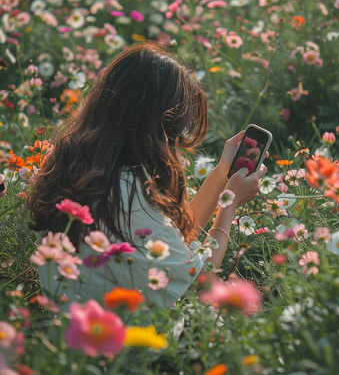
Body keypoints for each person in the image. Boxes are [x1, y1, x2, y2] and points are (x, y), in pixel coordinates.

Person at [28, 41, 267, 309]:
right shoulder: (129, 193)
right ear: (157, 125)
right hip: (133, 346)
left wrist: (221, 176)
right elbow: (198, 280)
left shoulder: (74, 168)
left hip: (71, 335)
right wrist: (230, 202)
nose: (177, 142)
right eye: (179, 129)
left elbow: (173, 246)